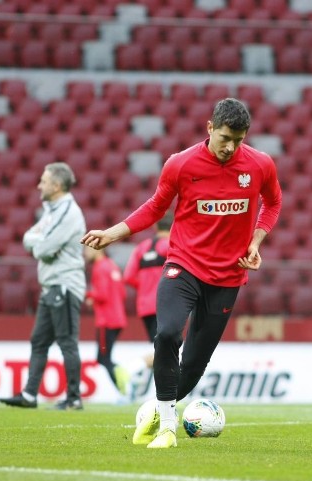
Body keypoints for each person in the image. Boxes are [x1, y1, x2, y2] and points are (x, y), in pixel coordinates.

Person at [81, 98, 282, 448]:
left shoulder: (261, 165)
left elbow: (274, 202)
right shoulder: (181, 164)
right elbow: (156, 206)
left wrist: (257, 240)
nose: (230, 146)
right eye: (224, 138)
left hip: (227, 277)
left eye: (238, 139)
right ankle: (168, 430)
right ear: (209, 128)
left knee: (193, 364)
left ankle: (157, 409)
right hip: (184, 265)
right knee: (168, 333)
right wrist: (112, 234)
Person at [0, 162, 87, 410]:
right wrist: (39, 243)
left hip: (65, 284)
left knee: (67, 341)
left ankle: (74, 398)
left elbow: (42, 248)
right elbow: (30, 238)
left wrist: (39, 243)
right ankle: (29, 395)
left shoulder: (68, 212)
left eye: (44, 181)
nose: (39, 185)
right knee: (39, 341)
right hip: (51, 285)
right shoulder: (52, 211)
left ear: (57, 185)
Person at [121, 213, 172, 400]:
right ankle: (132, 372)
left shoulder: (141, 248)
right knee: (166, 351)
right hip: (166, 303)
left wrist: (144, 288)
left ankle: (164, 394)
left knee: (162, 349)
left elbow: (128, 277)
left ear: (156, 228)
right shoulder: (171, 245)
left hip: (145, 306)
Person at [84, 245, 129, 396]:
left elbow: (102, 294)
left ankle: (124, 385)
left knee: (104, 359)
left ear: (97, 249)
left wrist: (89, 296)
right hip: (118, 318)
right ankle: (123, 384)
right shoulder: (111, 265)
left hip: (106, 320)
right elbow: (122, 293)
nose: (85, 253)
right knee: (104, 358)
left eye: (87, 250)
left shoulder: (99, 268)